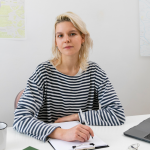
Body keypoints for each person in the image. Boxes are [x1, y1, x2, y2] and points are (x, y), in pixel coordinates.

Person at [13, 11, 126, 143]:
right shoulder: (43, 72)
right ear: (56, 41)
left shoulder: (95, 72)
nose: (66, 39)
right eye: (60, 35)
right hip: (50, 143)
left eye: (72, 34)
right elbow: (20, 118)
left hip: (84, 142)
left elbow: (117, 114)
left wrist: (75, 117)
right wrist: (62, 133)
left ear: (82, 37)